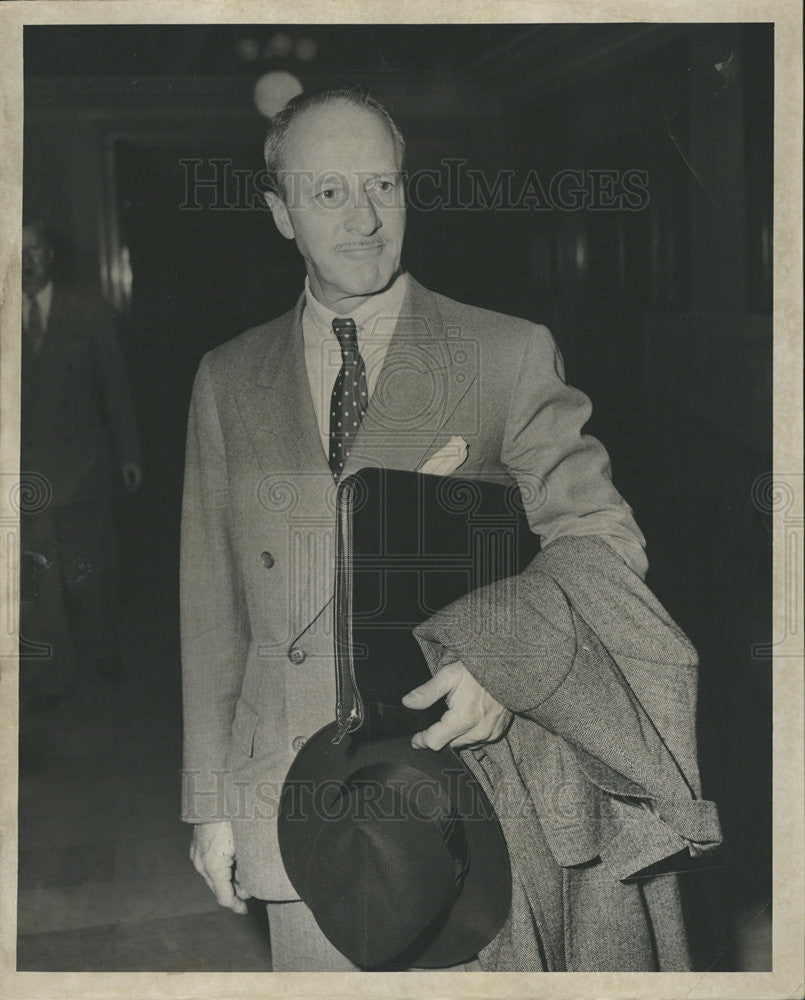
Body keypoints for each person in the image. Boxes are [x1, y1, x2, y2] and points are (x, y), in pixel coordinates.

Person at [180, 86, 720, 971]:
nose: (364, 220)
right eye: (327, 194)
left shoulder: (504, 352)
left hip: (459, 800)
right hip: (295, 807)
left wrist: (502, 666)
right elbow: (210, 607)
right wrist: (208, 801)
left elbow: (601, 539)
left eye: (383, 188)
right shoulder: (227, 377)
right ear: (279, 213)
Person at [20, 220, 142, 708]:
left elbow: (115, 385)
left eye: (33, 249)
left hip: (85, 462)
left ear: (50, 254)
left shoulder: (88, 308)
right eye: (15, 250)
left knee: (91, 569)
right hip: (25, 467)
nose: (25, 259)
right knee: (38, 573)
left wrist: (129, 453)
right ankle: (53, 673)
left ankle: (101, 645)